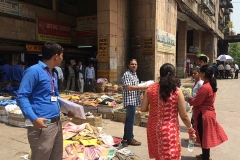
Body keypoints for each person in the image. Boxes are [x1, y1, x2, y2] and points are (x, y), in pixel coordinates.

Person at [17, 42, 74, 160]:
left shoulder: (53, 73)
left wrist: (66, 110)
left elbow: (55, 97)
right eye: (62, 55)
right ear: (56, 56)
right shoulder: (34, 71)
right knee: (41, 156)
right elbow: (22, 96)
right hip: (43, 125)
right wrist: (34, 118)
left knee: (56, 156)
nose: (63, 58)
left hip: (57, 123)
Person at [141, 63, 196, 160]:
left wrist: (156, 106)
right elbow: (184, 116)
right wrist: (191, 131)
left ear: (160, 74)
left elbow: (143, 109)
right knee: (170, 156)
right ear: (174, 75)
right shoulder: (176, 91)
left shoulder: (150, 90)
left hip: (152, 128)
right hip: (169, 130)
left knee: (158, 155)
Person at [186, 65, 228, 160]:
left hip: (204, 114)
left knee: (204, 136)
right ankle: (205, 155)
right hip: (207, 113)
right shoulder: (208, 84)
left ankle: (205, 157)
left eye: (200, 72)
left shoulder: (206, 87)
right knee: (204, 136)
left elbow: (197, 101)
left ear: (204, 74)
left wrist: (188, 99)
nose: (199, 74)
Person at [121, 59, 148, 146]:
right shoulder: (127, 74)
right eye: (132, 64)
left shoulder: (134, 75)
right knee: (131, 120)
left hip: (134, 100)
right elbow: (129, 87)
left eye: (135, 64)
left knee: (129, 119)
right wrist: (140, 88)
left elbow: (135, 86)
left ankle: (126, 136)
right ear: (128, 65)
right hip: (129, 100)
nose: (134, 66)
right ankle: (130, 138)